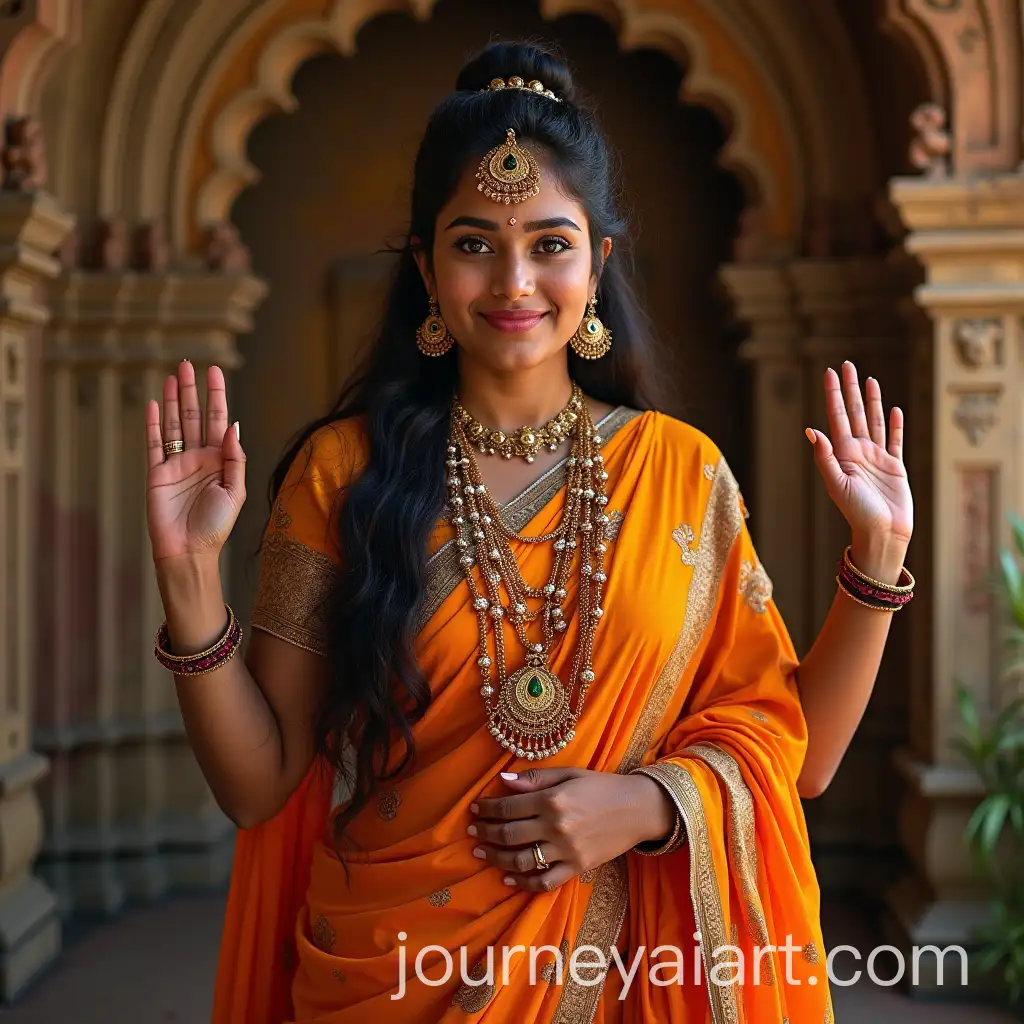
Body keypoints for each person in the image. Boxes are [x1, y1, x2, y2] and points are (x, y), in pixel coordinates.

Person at [145, 42, 912, 1024]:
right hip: (383, 971)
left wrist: (649, 802)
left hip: (617, 978)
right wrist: (188, 575)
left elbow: (794, 759)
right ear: (425, 266)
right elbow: (257, 789)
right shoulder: (341, 473)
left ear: (597, 263)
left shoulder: (679, 472)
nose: (513, 280)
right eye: (474, 243)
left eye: (549, 242)